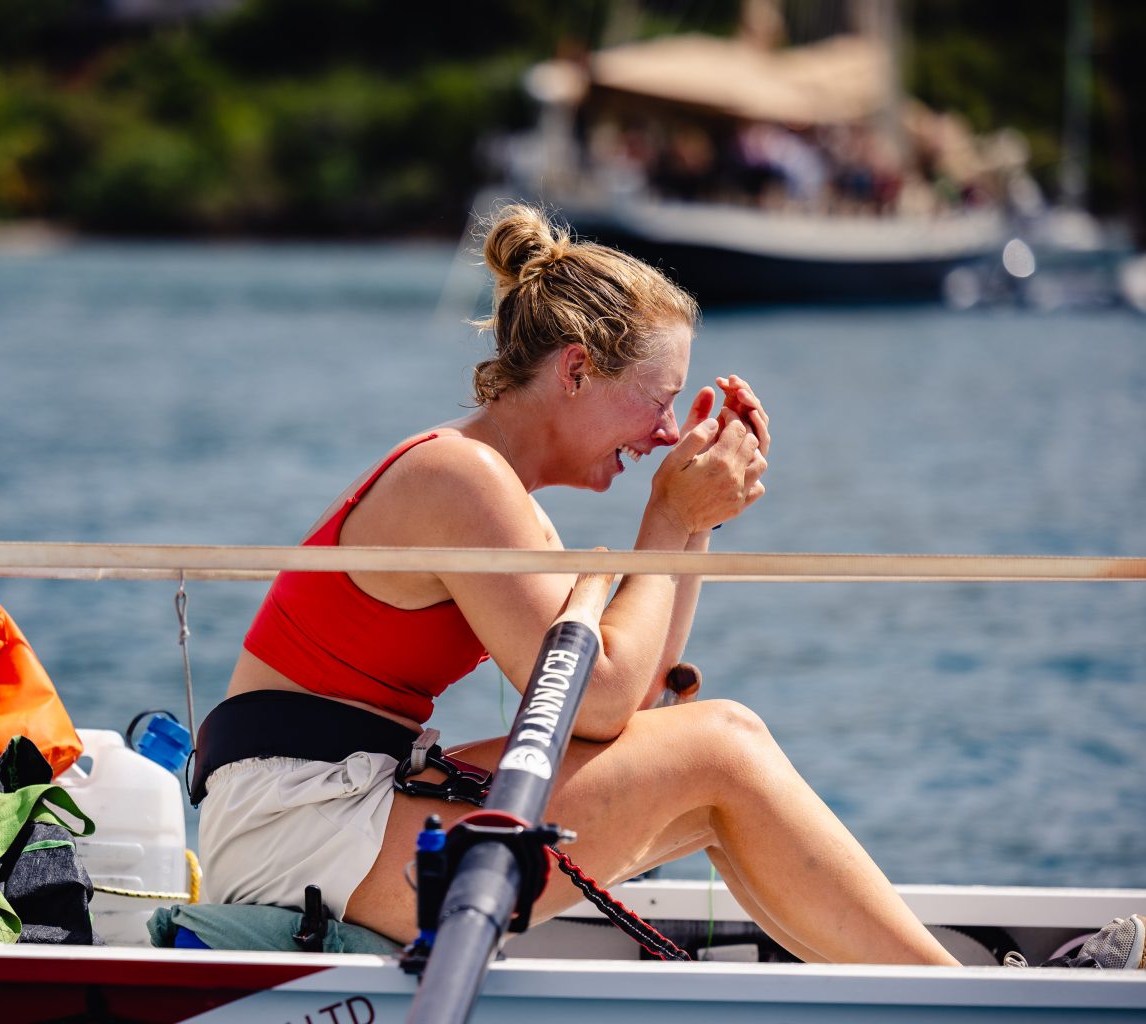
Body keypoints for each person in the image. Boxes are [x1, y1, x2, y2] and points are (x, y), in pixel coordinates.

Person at [191, 203, 960, 965]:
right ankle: (955, 999)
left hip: (336, 814)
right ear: (577, 368)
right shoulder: (455, 477)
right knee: (722, 747)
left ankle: (923, 991)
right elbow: (598, 701)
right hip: (297, 830)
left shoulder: (504, 504)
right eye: (661, 402)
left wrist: (693, 523)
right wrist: (662, 517)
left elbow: (636, 696)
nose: (664, 433)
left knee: (714, 760)